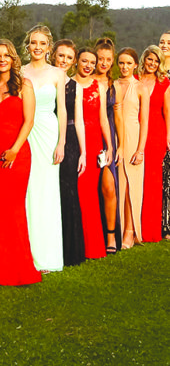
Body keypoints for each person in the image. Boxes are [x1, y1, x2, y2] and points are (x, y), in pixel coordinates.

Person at [0, 39, 41, 286]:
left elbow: (29, 121)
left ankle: (17, 270)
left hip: (16, 156)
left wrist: (14, 150)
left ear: (13, 59)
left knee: (12, 211)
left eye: (6, 55)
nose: (2, 59)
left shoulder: (23, 85)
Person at [22, 25, 67, 273]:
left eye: (42, 43)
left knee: (47, 193)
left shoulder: (57, 73)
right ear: (28, 45)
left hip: (49, 135)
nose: (37, 47)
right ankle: (26, 253)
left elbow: (62, 110)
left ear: (49, 47)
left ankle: (47, 256)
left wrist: (61, 142)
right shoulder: (19, 71)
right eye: (33, 42)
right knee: (27, 190)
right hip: (25, 132)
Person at [74, 48, 113, 259]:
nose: (88, 65)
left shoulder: (99, 86)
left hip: (95, 141)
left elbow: (103, 119)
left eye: (92, 62)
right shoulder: (68, 84)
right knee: (76, 192)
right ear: (77, 62)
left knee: (90, 193)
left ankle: (94, 246)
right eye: (84, 61)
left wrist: (109, 146)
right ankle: (77, 245)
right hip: (74, 141)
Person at [51, 39, 86, 265]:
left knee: (68, 191)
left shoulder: (76, 86)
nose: (64, 60)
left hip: (70, 140)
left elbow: (79, 120)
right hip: (45, 136)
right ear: (53, 55)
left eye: (69, 57)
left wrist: (83, 152)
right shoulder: (43, 80)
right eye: (61, 55)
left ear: (73, 62)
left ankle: (70, 251)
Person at [114, 47, 149, 248]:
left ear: (135, 64)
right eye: (121, 63)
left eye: (128, 63)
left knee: (130, 187)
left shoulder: (140, 88)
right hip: (115, 138)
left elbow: (144, 122)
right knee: (117, 186)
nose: (125, 67)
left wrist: (140, 149)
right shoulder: (113, 84)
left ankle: (130, 231)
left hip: (134, 139)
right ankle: (116, 230)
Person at [138, 45, 170, 242]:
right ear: (144, 59)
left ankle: (150, 230)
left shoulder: (164, 83)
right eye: (150, 59)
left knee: (153, 182)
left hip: (157, 135)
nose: (152, 63)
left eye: (156, 61)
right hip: (135, 133)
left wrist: (168, 137)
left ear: (160, 64)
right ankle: (135, 227)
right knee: (137, 180)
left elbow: (168, 112)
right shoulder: (135, 79)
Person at [94, 38, 123, 253]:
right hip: (90, 134)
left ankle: (111, 236)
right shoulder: (86, 81)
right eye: (100, 59)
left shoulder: (114, 85)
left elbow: (118, 117)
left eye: (107, 59)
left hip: (108, 140)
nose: (103, 63)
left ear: (112, 61)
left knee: (109, 187)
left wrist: (120, 145)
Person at [159, 31, 170, 238]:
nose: (165, 45)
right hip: (158, 124)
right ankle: (163, 223)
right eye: (161, 41)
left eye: (169, 42)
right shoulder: (155, 68)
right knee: (163, 177)